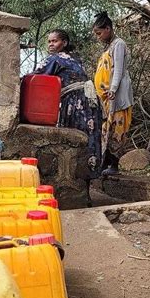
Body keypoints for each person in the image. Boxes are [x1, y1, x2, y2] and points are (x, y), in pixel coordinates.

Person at [34, 29, 102, 204]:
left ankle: (71, 194)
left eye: (54, 41)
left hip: (76, 103)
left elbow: (35, 76)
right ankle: (85, 194)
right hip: (91, 104)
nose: (50, 45)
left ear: (64, 43)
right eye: (49, 41)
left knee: (72, 144)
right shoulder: (76, 59)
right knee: (89, 143)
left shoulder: (55, 59)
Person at [93, 11, 134, 176]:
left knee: (117, 130)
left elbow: (118, 69)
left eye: (99, 33)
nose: (98, 37)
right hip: (107, 98)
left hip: (117, 96)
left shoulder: (119, 44)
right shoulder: (109, 47)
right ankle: (105, 164)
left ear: (108, 29)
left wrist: (113, 89)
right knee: (105, 131)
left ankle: (113, 165)